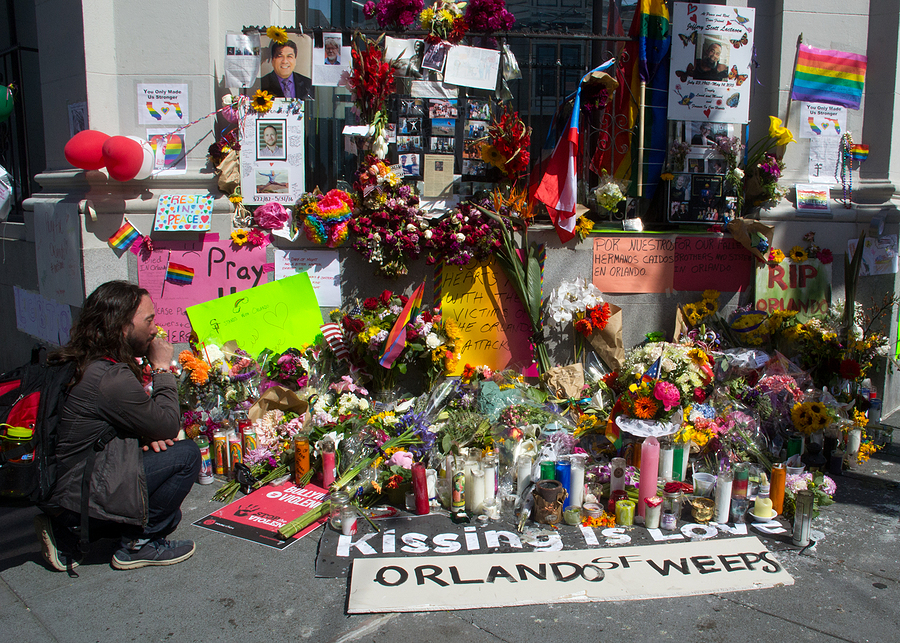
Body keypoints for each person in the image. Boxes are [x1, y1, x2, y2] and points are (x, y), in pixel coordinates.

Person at [34, 281, 200, 571]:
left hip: (69, 485)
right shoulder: (110, 377)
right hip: (82, 489)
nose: (154, 329)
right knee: (186, 456)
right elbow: (168, 424)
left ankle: (69, 529)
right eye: (148, 320)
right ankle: (138, 544)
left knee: (169, 514)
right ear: (123, 326)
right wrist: (161, 368)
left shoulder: (85, 359)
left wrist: (144, 435)